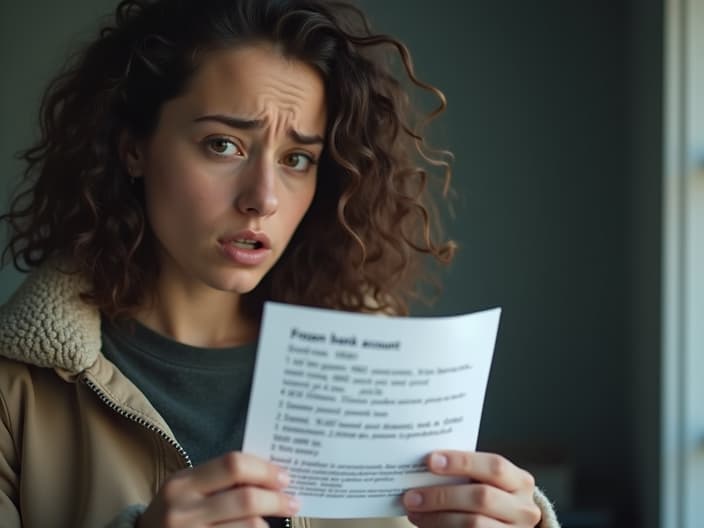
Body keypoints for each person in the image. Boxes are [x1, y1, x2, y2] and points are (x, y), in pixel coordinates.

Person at [0, 1, 559, 527]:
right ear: (133, 149)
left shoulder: (377, 366)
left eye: (297, 159)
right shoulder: (15, 393)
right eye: (223, 145)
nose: (263, 198)